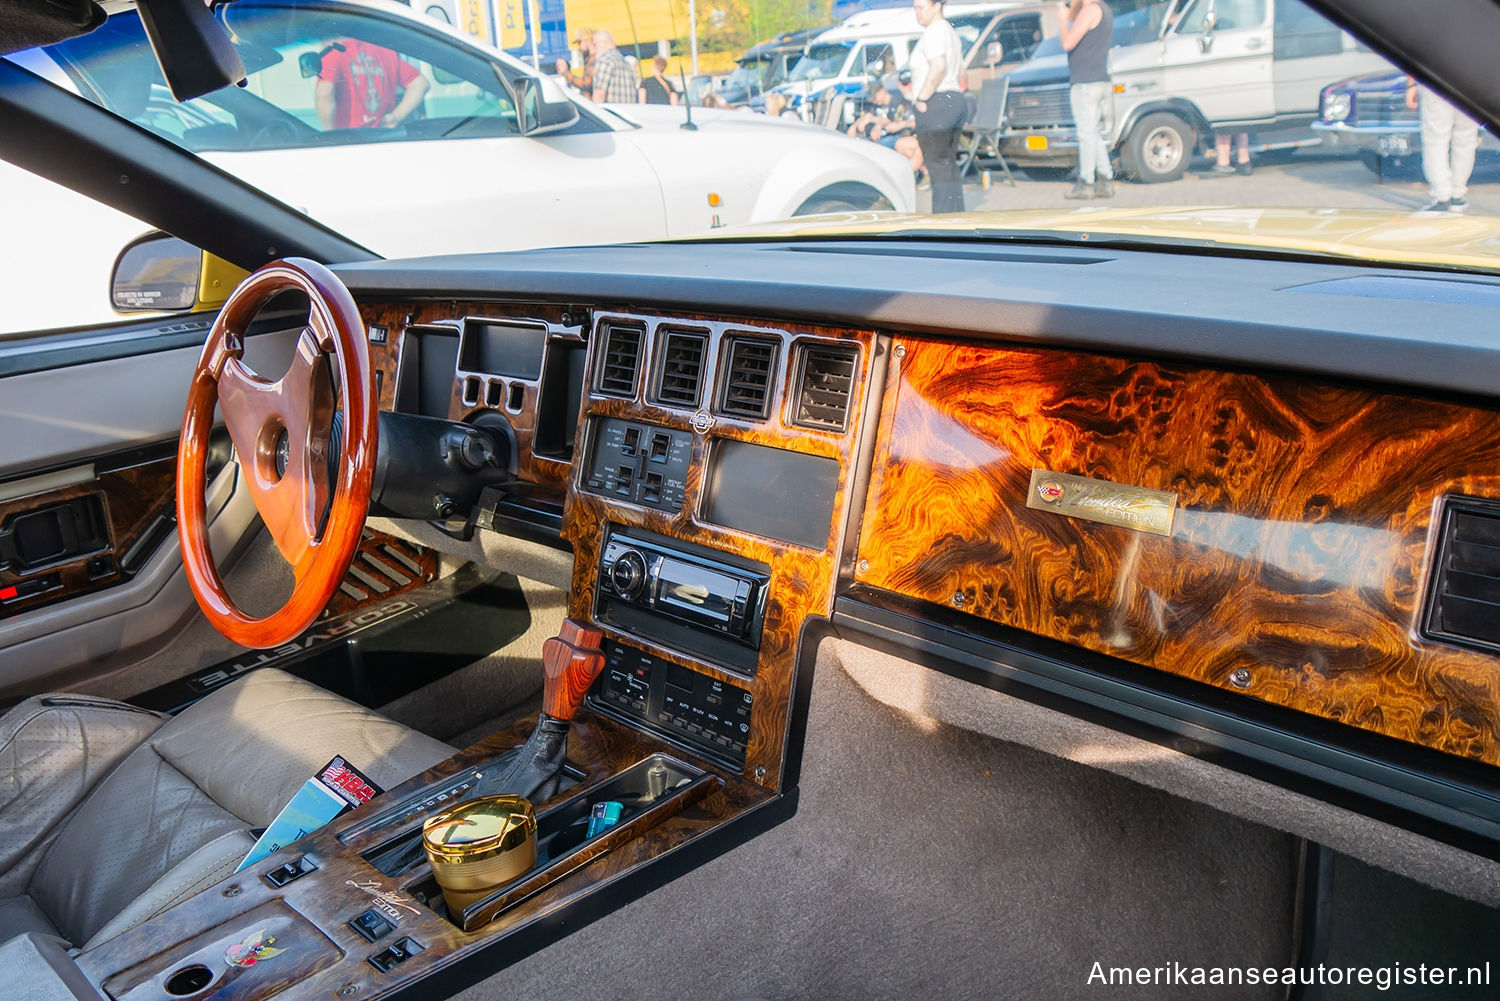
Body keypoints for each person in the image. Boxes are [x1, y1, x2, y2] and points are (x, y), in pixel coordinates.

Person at [909, 0, 967, 213]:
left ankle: (943, 221)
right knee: (948, 165)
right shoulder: (950, 32)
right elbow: (962, 73)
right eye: (914, 8)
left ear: (936, 6)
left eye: (920, 7)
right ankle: (956, 216)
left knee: (937, 167)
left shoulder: (933, 31)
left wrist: (922, 98)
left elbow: (939, 66)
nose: (917, 12)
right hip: (954, 99)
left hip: (937, 102)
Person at [1059, 0, 1114, 199]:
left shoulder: (1090, 10)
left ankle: (1085, 182)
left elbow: (1067, 42)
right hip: (1099, 80)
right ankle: (1106, 179)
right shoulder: (1105, 10)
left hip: (1085, 83)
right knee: (1094, 133)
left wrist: (1063, 21)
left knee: (1086, 133)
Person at [314, 37, 429, 130]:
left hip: (349, 141)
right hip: (383, 136)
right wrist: (395, 117)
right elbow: (420, 83)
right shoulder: (385, 53)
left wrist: (330, 132)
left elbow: (324, 93)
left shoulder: (332, 54)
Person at [1406, 78, 1480, 212]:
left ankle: (1442, 195)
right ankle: (1457, 194)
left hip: (1437, 82)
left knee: (1436, 140)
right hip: (1471, 86)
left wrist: (1411, 85)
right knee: (1466, 139)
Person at [590, 31, 636, 105]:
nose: (594, 48)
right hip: (627, 113)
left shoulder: (605, 61)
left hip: (610, 114)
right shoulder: (627, 63)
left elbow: (599, 95)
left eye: (594, 44)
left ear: (604, 42)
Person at [554, 28, 594, 95]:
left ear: (589, 41)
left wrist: (566, 73)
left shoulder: (593, 60)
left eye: (580, 42)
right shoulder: (589, 60)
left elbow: (584, 84)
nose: (579, 47)